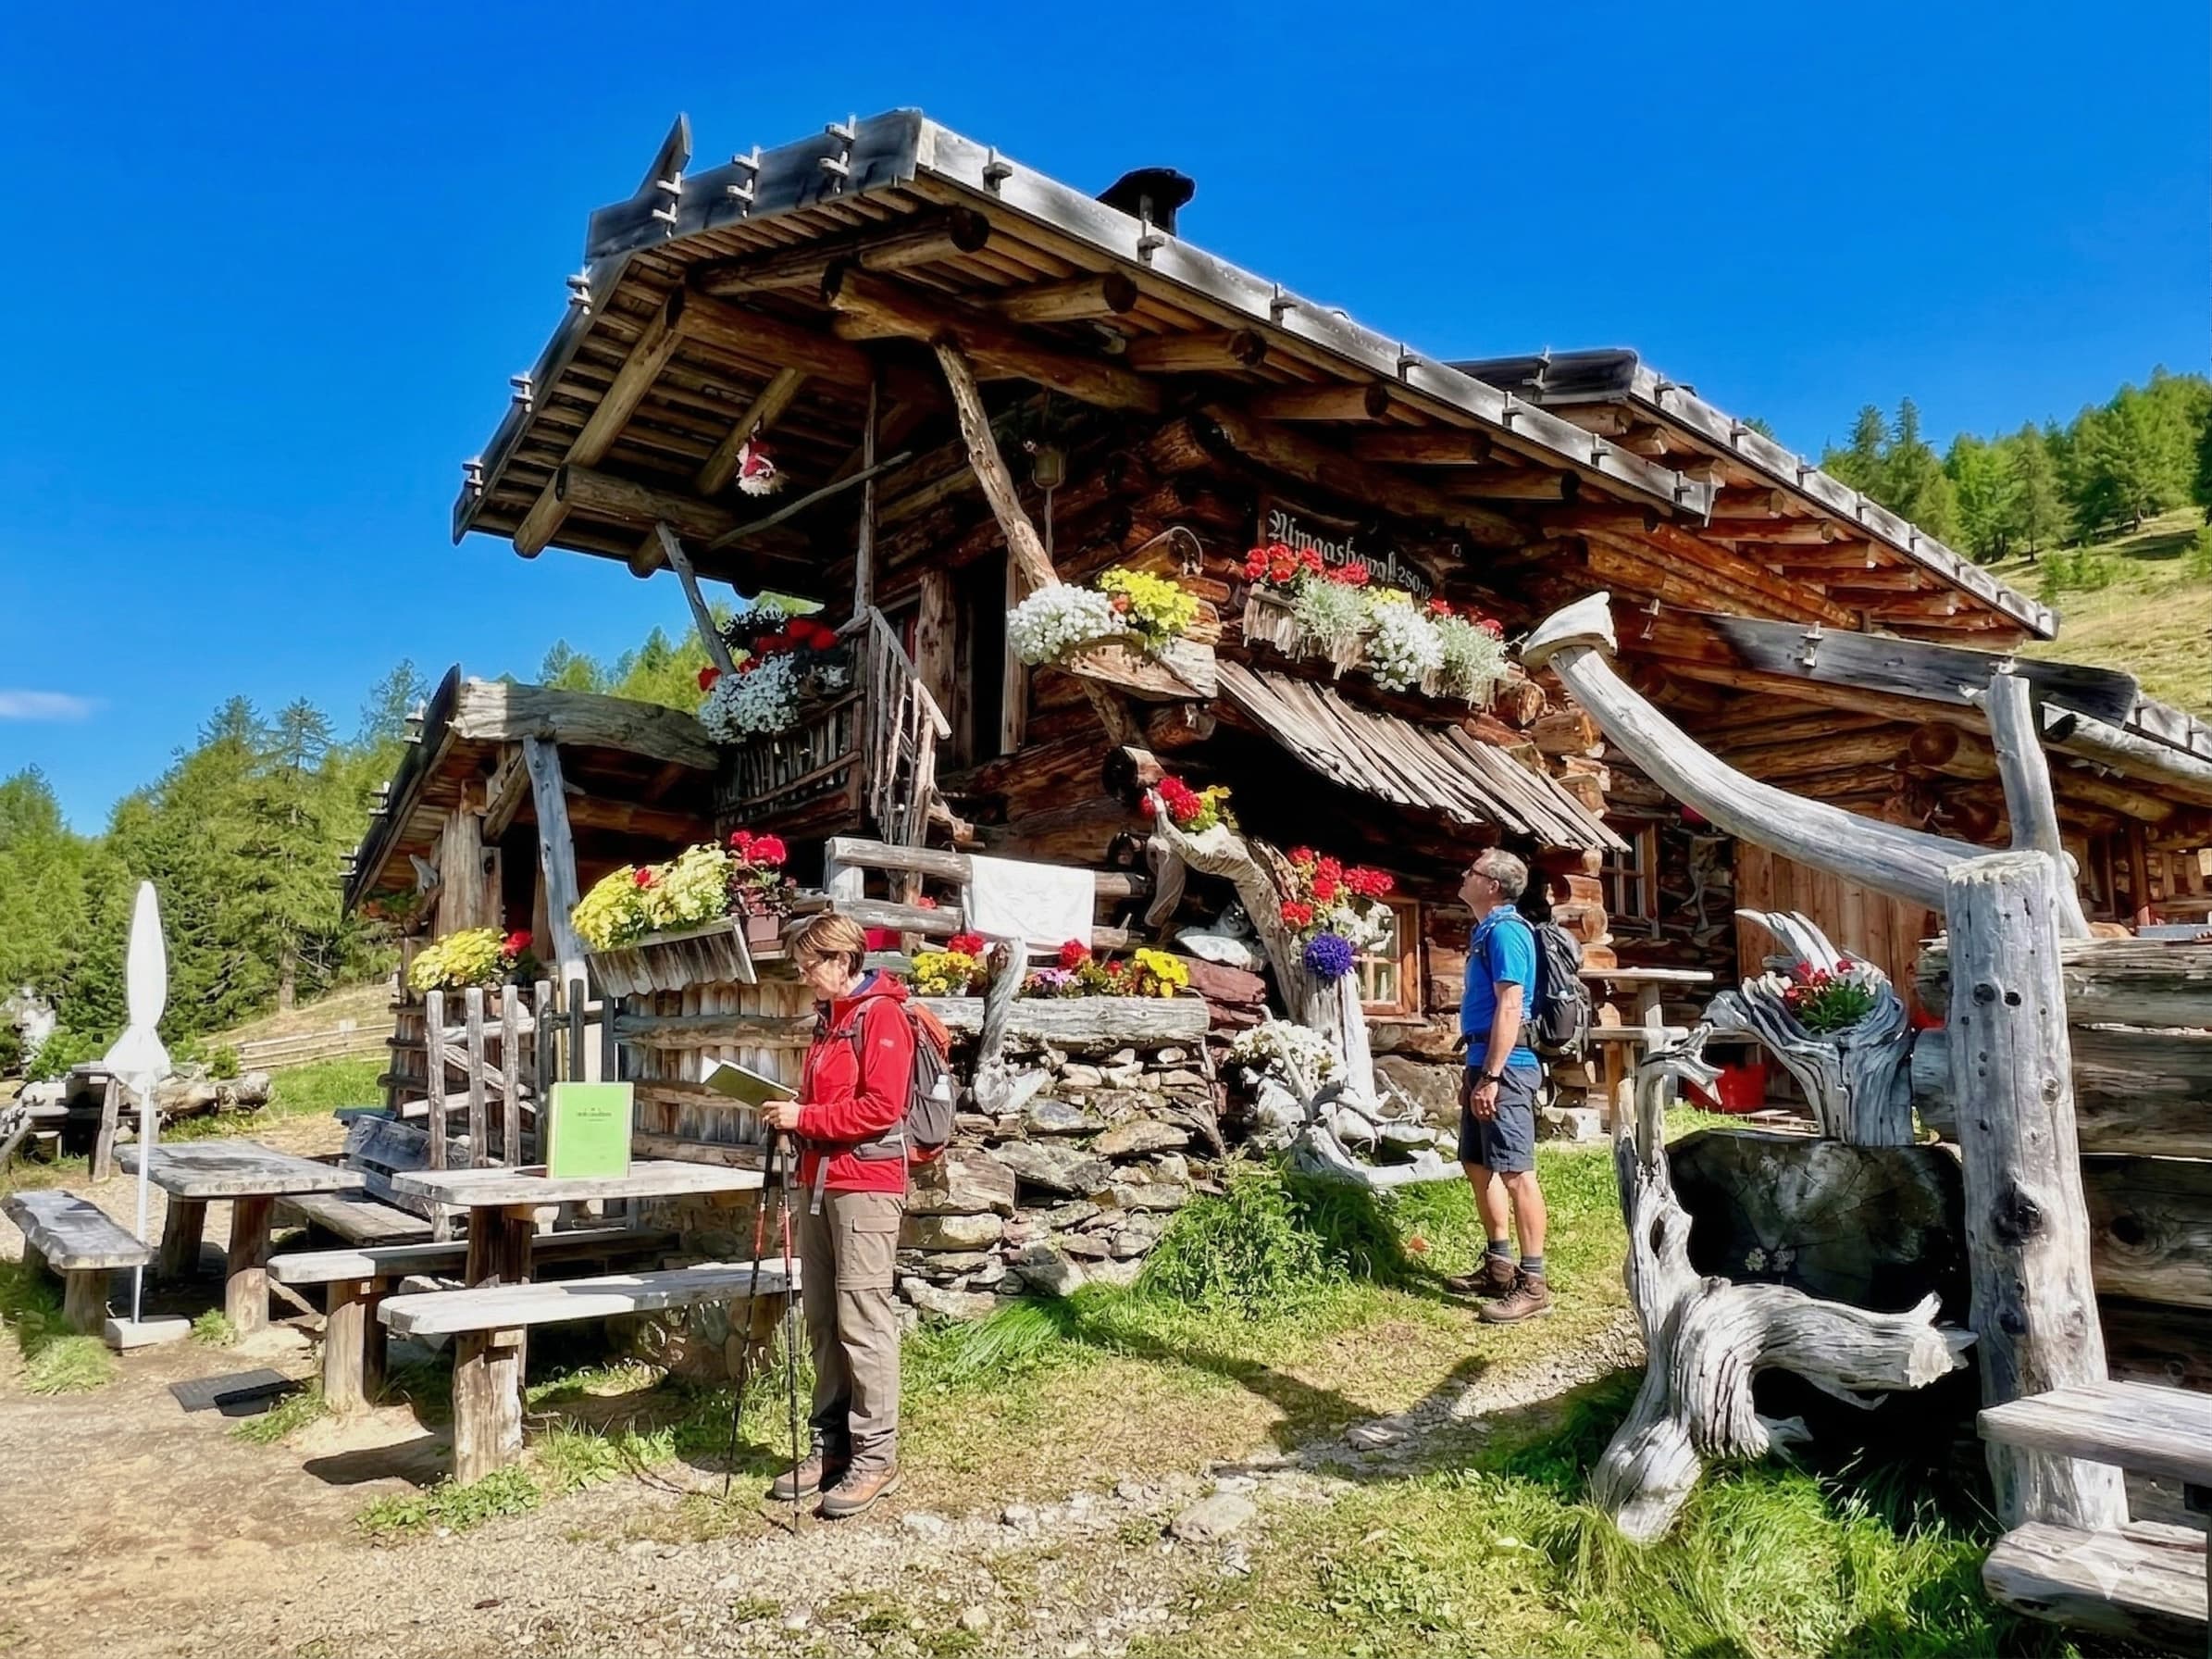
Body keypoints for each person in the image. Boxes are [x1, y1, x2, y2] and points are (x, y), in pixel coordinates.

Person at [758, 913, 917, 1516]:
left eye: (809, 966)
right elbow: (834, 1104)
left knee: (863, 1321)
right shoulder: (831, 1022)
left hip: (866, 1189)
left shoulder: (882, 1016)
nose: (804, 977)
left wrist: (806, 1121)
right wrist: (794, 1112)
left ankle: (875, 1459)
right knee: (823, 1319)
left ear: (843, 959)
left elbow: (881, 1108)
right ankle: (830, 1445)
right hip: (820, 1184)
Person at [1444, 848, 1552, 1323]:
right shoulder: (1487, 930)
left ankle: (1533, 1283)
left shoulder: (1508, 931)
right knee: (1477, 1163)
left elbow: (1511, 1007)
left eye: (1472, 871)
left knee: (1515, 1171)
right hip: (1484, 1061)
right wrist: (1476, 1072)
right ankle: (1499, 1266)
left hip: (1507, 1066)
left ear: (1492, 885)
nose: (1463, 875)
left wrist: (1490, 1076)